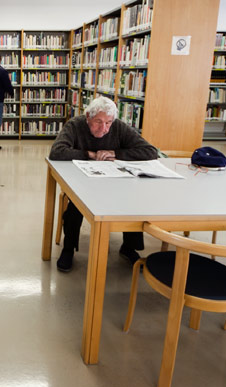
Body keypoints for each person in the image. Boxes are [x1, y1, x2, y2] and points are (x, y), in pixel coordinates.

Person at [49, 96, 160, 272]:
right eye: (98, 122)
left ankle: (128, 248)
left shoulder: (118, 127)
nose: (104, 128)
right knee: (75, 206)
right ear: (88, 117)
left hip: (114, 183)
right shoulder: (75, 125)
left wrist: (115, 154)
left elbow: (150, 151)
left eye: (108, 122)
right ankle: (68, 248)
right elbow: (57, 152)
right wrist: (89, 154)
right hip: (82, 182)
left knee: (133, 202)